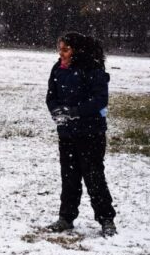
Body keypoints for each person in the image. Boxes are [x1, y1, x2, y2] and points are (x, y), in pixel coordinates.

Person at [45, 32, 117, 237]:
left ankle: (106, 219)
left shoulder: (92, 68)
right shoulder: (57, 68)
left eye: (66, 49)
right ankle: (66, 218)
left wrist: (75, 112)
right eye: (60, 49)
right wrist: (56, 112)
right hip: (67, 133)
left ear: (77, 50)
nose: (61, 53)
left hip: (90, 133)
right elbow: (51, 96)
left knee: (94, 177)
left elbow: (100, 99)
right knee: (69, 177)